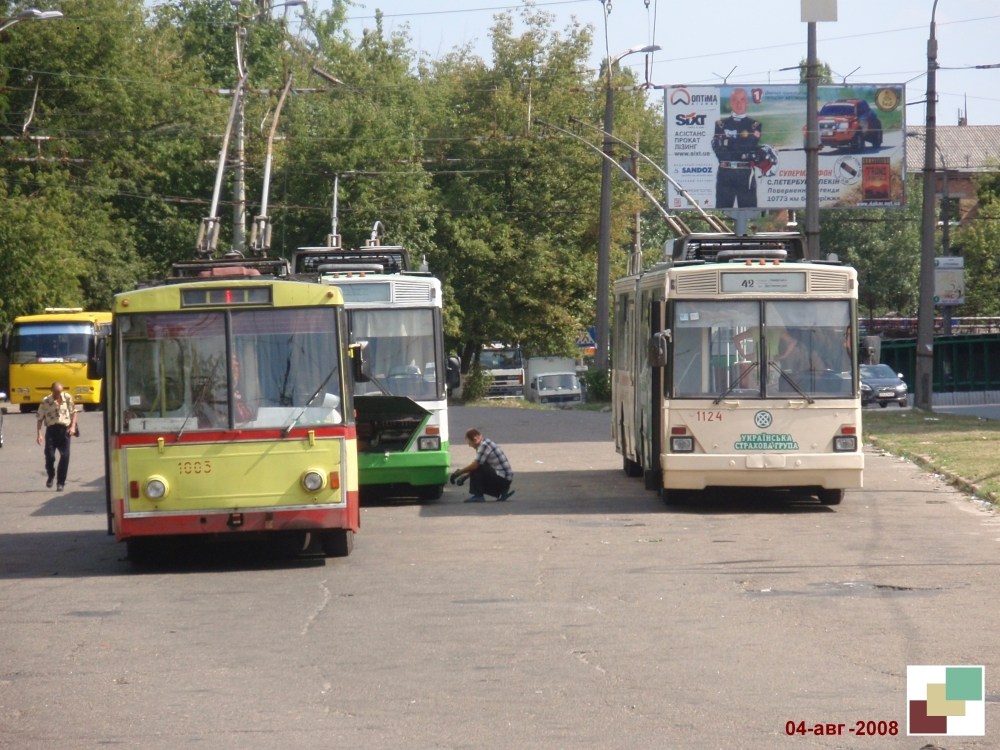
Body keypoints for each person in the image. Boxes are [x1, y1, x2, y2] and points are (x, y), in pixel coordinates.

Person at [711, 87, 762, 208]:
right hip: (725, 172)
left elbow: (749, 146)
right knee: (722, 211)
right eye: (735, 100)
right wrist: (741, 148)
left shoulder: (754, 125)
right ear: (730, 103)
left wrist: (729, 144)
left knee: (748, 210)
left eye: (742, 100)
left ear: (747, 102)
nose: (739, 104)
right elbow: (719, 151)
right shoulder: (721, 124)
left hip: (745, 173)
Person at [450, 428, 514, 503]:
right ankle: (503, 492)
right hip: (505, 479)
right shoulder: (485, 442)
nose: (469, 446)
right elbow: (480, 464)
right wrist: (465, 477)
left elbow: (475, 466)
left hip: (503, 479)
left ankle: (478, 496)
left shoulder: (484, 446)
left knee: (476, 466)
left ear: (475, 440)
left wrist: (458, 473)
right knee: (478, 465)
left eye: (470, 443)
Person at [36, 381, 77, 491]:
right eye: (56, 392)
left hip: (64, 430)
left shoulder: (67, 398)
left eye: (60, 392)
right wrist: (39, 434)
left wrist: (73, 427)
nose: (58, 395)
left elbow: (73, 412)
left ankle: (60, 483)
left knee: (65, 456)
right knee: (50, 456)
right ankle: (51, 475)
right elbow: (39, 418)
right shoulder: (45, 401)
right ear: (52, 391)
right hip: (51, 431)